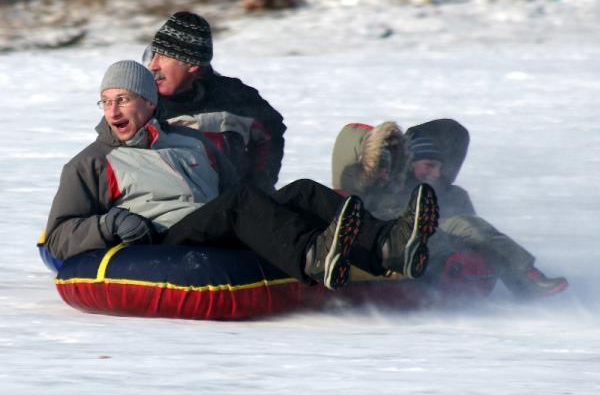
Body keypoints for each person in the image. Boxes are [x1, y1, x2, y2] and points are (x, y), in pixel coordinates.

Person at [44, 61, 440, 293]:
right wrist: (109, 223)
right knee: (241, 203)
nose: (113, 111)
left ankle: (388, 245)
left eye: (123, 100)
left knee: (300, 191)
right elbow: (58, 237)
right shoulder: (92, 163)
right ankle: (311, 257)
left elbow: (238, 188)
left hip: (215, 223)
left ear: (148, 103)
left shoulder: (189, 141)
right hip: (167, 237)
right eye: (107, 101)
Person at [331, 119, 568, 299]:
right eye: (429, 166)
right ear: (410, 163)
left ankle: (525, 276)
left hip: (436, 240)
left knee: (463, 224)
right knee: (433, 228)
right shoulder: (380, 184)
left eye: (439, 168)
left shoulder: (450, 194)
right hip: (388, 239)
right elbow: (354, 173)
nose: (435, 173)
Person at [142, 11, 285, 194]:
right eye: (153, 55)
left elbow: (271, 129)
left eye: (163, 56)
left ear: (191, 65)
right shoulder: (143, 102)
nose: (153, 65)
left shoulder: (234, 97)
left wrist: (258, 185)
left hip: (236, 207)